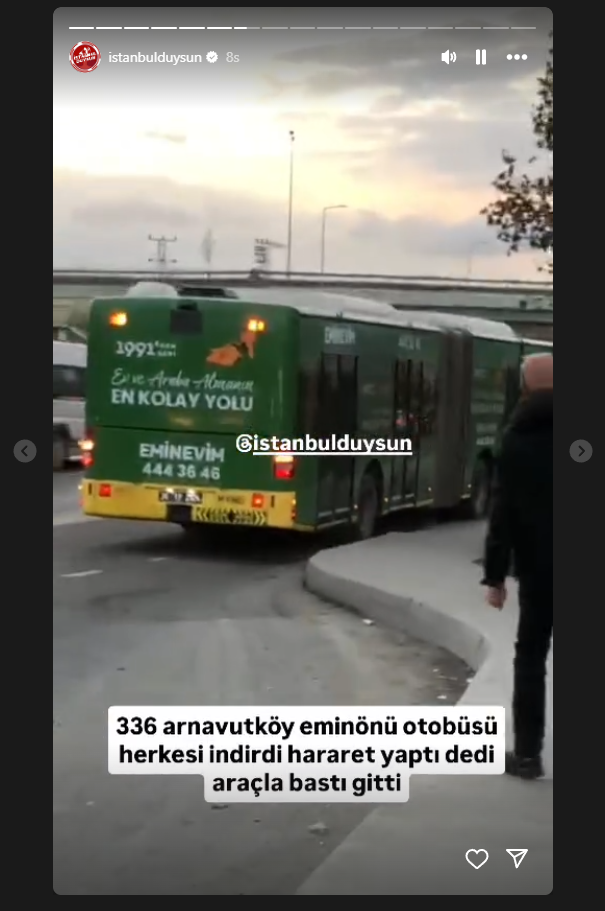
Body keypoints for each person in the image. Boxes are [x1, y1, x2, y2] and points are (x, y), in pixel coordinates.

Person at [482, 353, 553, 780]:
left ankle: (527, 755)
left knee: (530, 659)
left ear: (525, 388)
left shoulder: (516, 439)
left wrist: (495, 576)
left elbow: (502, 514)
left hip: (539, 571)